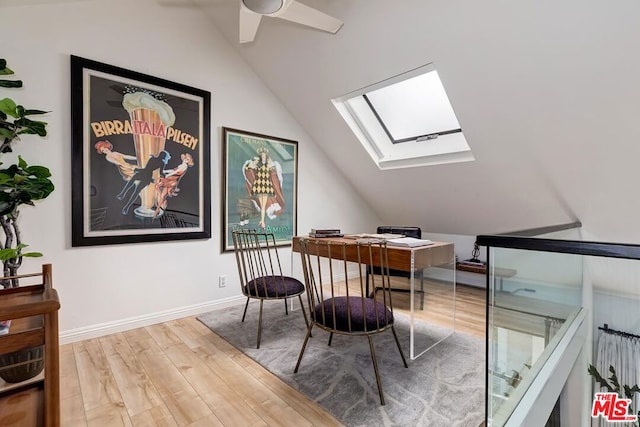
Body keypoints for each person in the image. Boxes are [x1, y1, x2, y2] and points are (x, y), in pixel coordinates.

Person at [242, 146, 285, 229]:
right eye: (262, 156)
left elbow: (274, 171)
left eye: (264, 155)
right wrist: (250, 164)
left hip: (265, 186)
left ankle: (262, 221)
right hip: (259, 186)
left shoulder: (269, 166)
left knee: (263, 205)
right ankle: (262, 221)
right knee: (262, 205)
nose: (263, 157)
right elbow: (248, 167)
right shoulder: (257, 166)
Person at [117, 150, 171, 215]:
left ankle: (124, 200)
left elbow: (149, 169)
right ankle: (124, 199)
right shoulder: (160, 162)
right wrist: (164, 176)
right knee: (135, 189)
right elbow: (159, 173)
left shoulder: (154, 159)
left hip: (145, 174)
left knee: (135, 189)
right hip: (147, 175)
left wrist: (138, 170)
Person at [153, 153, 195, 219]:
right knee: (158, 188)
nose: (185, 160)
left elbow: (175, 172)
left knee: (161, 193)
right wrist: (165, 171)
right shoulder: (182, 165)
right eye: (185, 158)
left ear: (188, 162)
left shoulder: (184, 166)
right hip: (169, 179)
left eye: (187, 160)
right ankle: (160, 205)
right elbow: (173, 170)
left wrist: (168, 175)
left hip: (172, 180)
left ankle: (157, 210)